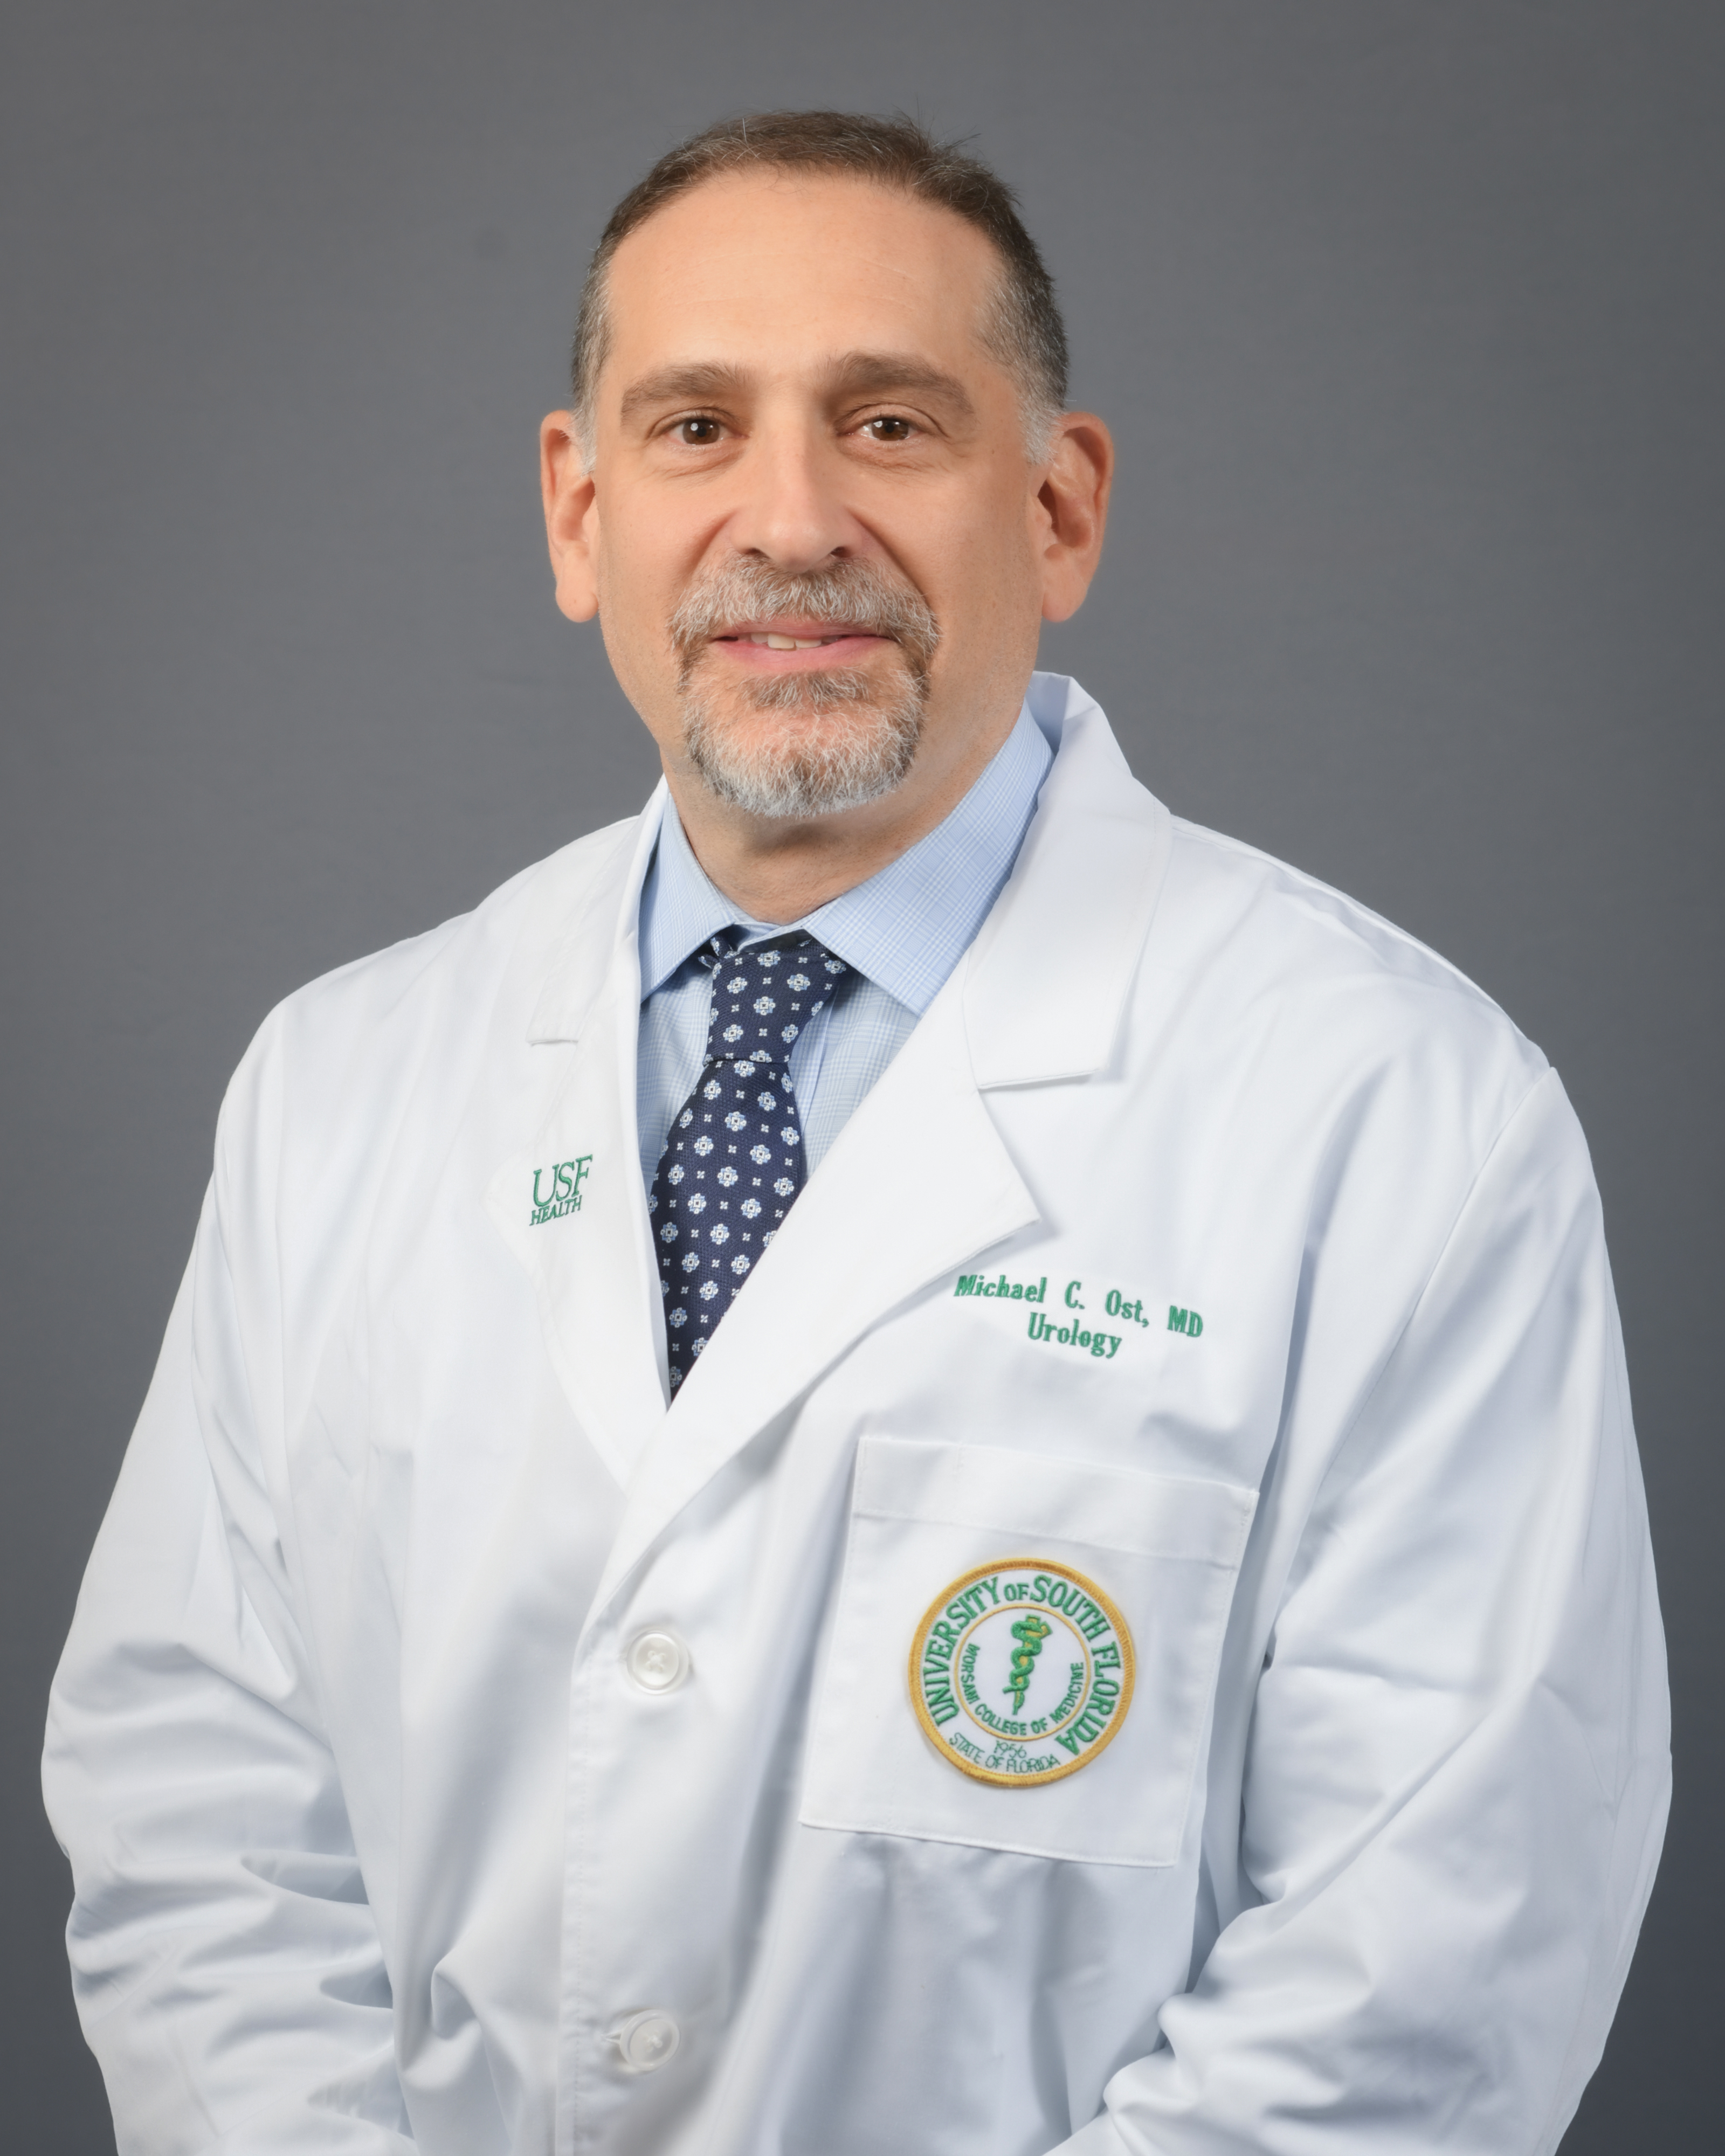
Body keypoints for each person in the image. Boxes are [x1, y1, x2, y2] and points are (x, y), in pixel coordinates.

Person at [43, 109, 1668, 2156]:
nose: (792, 520)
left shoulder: (1400, 1114)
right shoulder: (338, 1083)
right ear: (581, 513)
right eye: (696, 428)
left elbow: (1429, 1965)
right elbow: (199, 1817)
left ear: (1057, 509)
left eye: (890, 425)